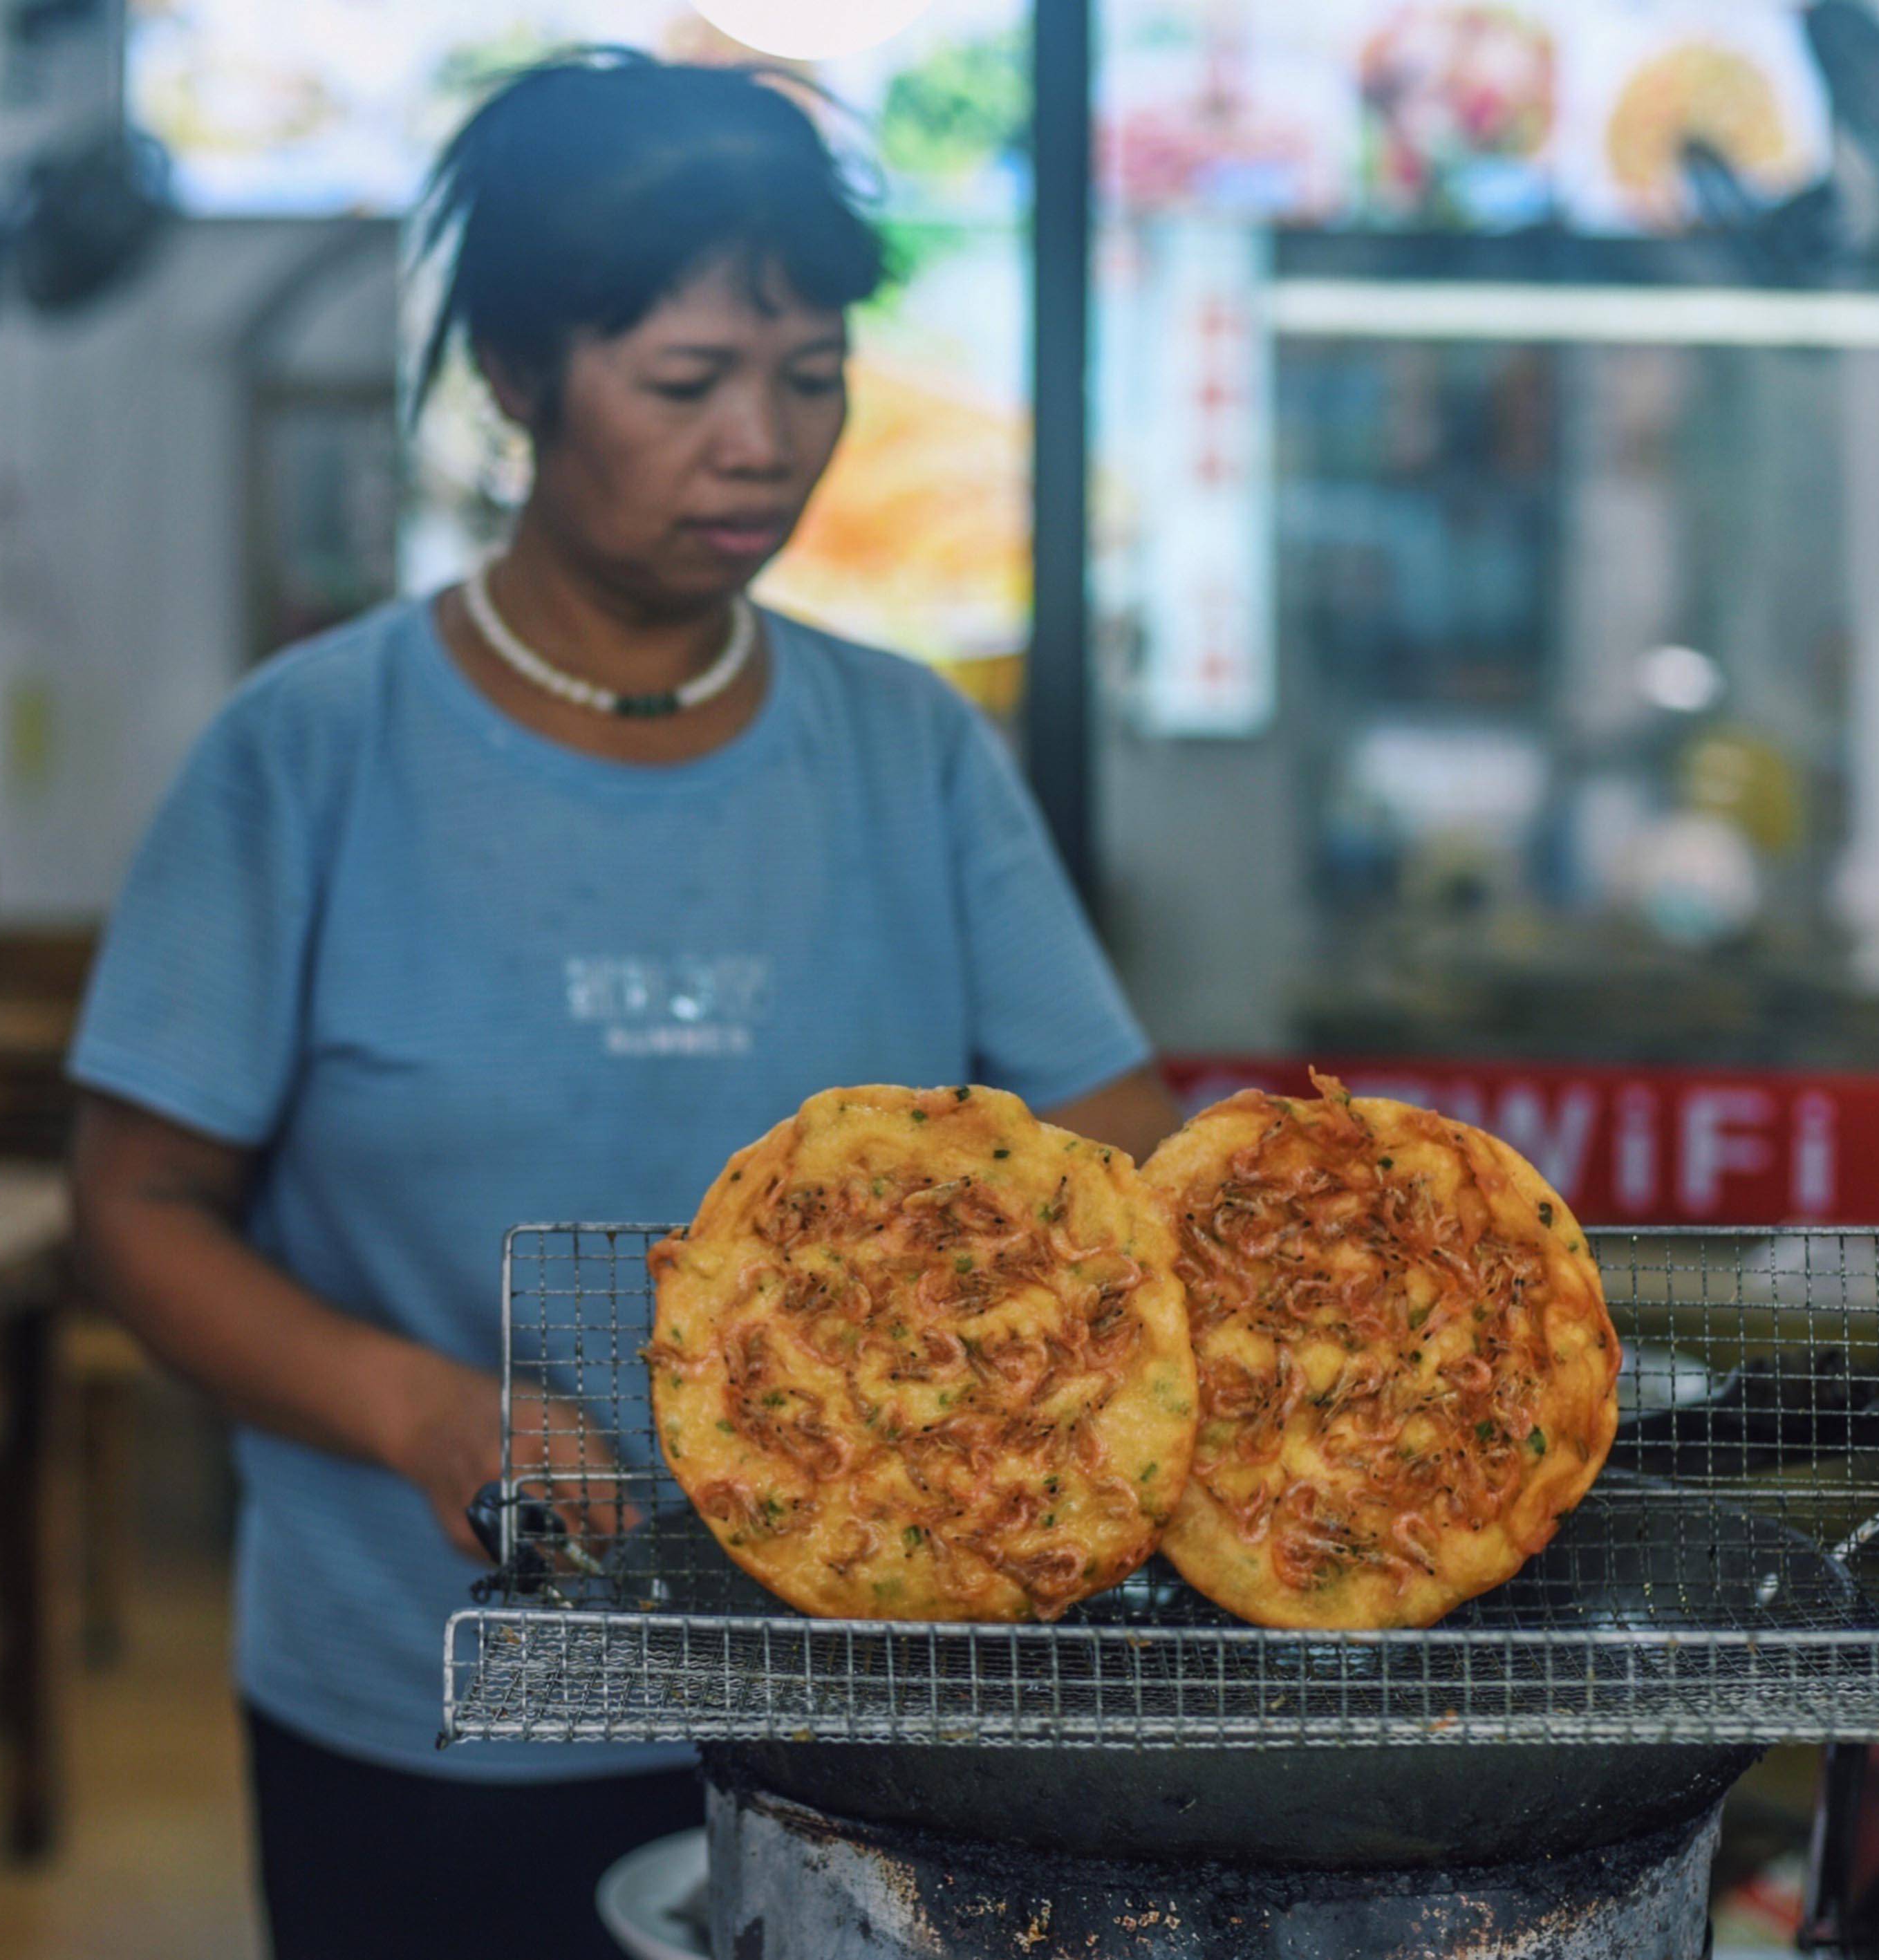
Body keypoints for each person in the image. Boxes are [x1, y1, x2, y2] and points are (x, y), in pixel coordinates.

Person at [64, 48, 1177, 1959]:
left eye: (809, 376)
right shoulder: (308, 755)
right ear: (512, 378)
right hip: (419, 1710)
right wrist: (412, 1403)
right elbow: (137, 1207)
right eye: (685, 385)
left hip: (859, 1716)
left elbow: (1120, 1152)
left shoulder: (906, 749)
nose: (761, 443)